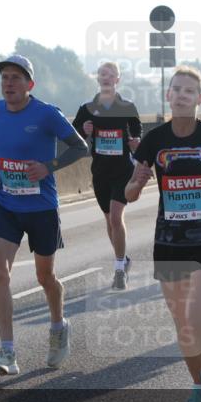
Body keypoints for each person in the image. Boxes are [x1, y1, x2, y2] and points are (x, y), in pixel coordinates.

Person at [126, 66, 201, 402]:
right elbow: (129, 194)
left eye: (189, 91)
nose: (181, 95)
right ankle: (198, 385)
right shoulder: (154, 140)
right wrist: (140, 182)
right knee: (184, 326)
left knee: (194, 318)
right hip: (170, 243)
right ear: (168, 96)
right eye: (176, 89)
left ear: (200, 99)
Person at [0, 54, 89, 376]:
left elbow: (80, 147)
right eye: (5, 78)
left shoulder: (47, 114)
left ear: (30, 84)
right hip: (7, 205)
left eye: (16, 78)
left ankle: (58, 326)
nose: (9, 83)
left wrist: (48, 167)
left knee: (45, 278)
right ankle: (8, 352)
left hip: (41, 208)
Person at [72, 62, 142, 289]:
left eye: (111, 75)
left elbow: (138, 132)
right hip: (100, 172)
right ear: (97, 78)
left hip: (123, 170)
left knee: (115, 217)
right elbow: (75, 135)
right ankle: (124, 259)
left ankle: (119, 269)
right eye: (102, 73)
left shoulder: (128, 106)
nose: (106, 77)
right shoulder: (88, 108)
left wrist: (135, 142)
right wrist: (85, 130)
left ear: (117, 80)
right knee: (109, 221)